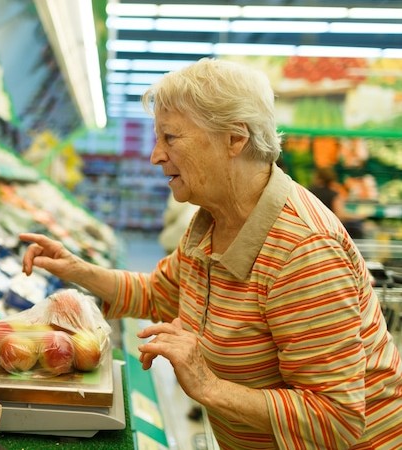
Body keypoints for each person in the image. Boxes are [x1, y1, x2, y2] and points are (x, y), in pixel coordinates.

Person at [20, 58, 402, 449]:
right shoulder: (210, 221)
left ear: (235, 139)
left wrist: (207, 384)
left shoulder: (302, 251)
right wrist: (77, 268)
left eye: (170, 138)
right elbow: (161, 292)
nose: (155, 156)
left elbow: (337, 418)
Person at [308, 166, 366, 239]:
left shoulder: (308, 192)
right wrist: (359, 216)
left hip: (312, 229)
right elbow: (340, 215)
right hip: (329, 231)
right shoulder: (333, 194)